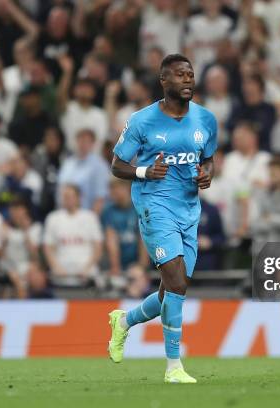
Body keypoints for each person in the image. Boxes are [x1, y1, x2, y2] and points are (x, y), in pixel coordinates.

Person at [107, 54, 217, 383]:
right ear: (164, 81)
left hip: (188, 209)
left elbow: (209, 159)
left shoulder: (207, 120)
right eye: (180, 75)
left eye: (191, 74)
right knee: (178, 282)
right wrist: (144, 171)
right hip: (154, 205)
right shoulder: (142, 121)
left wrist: (206, 174)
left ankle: (123, 321)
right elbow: (116, 164)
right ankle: (174, 367)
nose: (187, 80)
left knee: (171, 290)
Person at [43, 184, 103, 287]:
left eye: (71, 196)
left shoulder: (90, 217)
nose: (68, 200)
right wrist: (56, 268)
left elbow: (98, 247)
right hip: (61, 273)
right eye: (65, 197)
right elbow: (48, 247)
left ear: (78, 198)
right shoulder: (53, 218)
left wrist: (87, 269)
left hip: (87, 274)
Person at [101, 177, 148, 277]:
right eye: (110, 189)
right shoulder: (108, 211)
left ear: (126, 188)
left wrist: (142, 266)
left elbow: (144, 239)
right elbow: (111, 238)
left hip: (140, 262)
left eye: (115, 188)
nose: (112, 192)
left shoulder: (139, 208)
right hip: (120, 263)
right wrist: (115, 267)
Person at [1, 199, 41, 298]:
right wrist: (4, 241)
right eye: (13, 211)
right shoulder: (4, 228)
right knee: (13, 279)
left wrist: (25, 232)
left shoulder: (35, 228)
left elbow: (35, 256)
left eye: (18, 210)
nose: (16, 214)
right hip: (8, 266)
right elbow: (1, 255)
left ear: (25, 211)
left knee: (27, 277)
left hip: (26, 266)